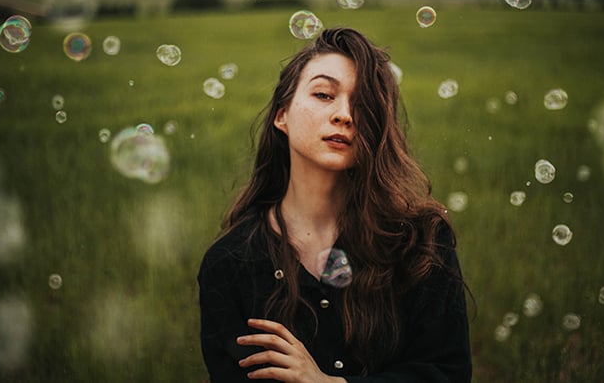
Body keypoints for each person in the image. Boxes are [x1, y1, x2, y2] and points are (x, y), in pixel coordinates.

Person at [197, 27, 472, 382]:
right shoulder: (230, 263)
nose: (345, 114)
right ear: (282, 114)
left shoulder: (419, 241)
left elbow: (447, 374)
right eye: (324, 94)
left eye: (362, 104)